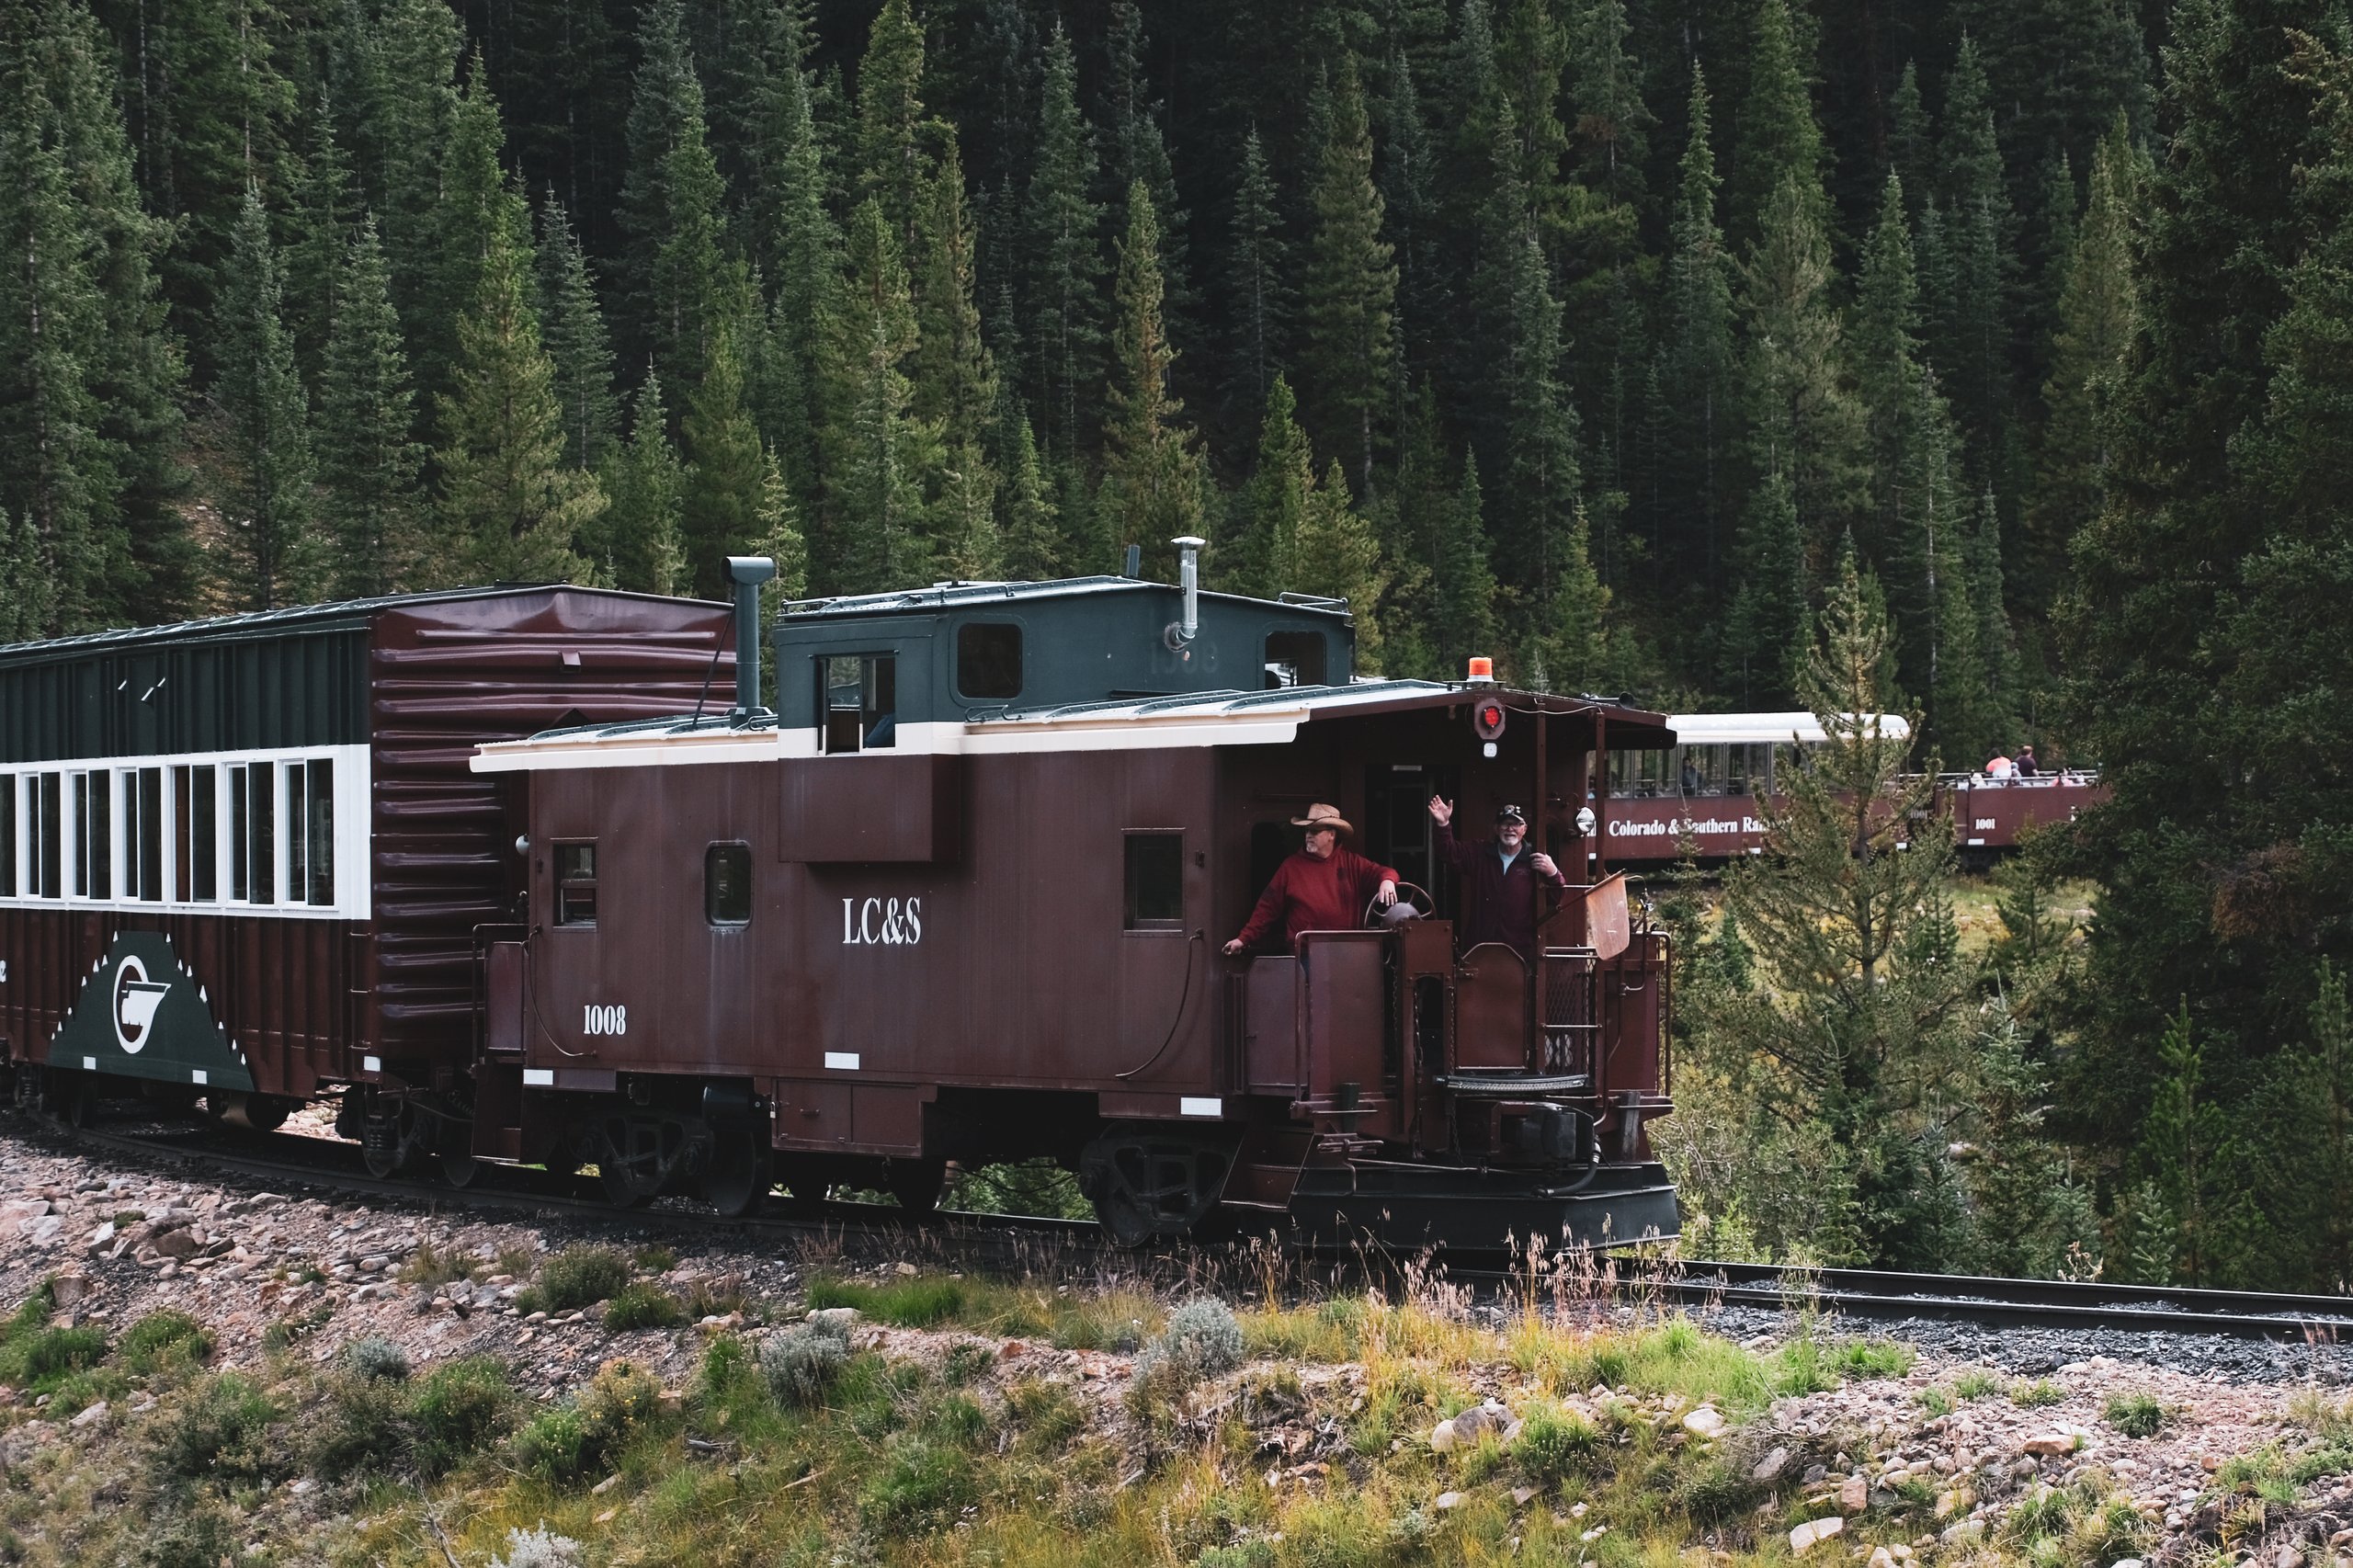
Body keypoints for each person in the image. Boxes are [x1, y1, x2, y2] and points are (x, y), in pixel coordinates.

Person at [1223, 804, 1399, 956]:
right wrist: (1243, 939)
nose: (1308, 835)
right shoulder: (1291, 867)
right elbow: (1267, 907)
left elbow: (1384, 872)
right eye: (1307, 830)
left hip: (1346, 954)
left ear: (1331, 834)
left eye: (1315, 831)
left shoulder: (1352, 863)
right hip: (1306, 955)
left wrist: (1387, 881)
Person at [1427, 797, 1570, 966]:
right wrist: (1443, 824)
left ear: (1524, 829)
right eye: (1505, 824)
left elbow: (1556, 899)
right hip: (1480, 948)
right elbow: (1448, 852)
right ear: (1496, 828)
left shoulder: (1535, 860)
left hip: (1519, 952)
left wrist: (1553, 873)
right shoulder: (1480, 853)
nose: (1510, 829)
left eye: (1516, 824)